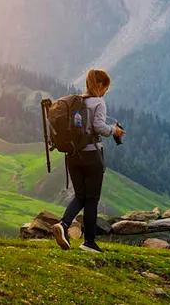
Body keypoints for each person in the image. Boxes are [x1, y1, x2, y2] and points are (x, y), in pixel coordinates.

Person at [51, 68, 125, 253]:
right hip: (91, 156)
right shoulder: (99, 102)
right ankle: (89, 242)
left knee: (80, 196)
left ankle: (63, 224)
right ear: (99, 85)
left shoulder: (78, 102)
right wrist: (114, 131)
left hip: (73, 156)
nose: (105, 91)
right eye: (105, 88)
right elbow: (99, 126)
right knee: (92, 199)